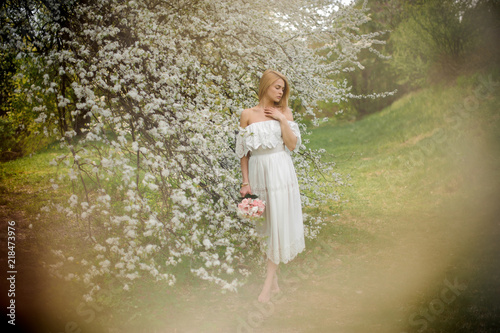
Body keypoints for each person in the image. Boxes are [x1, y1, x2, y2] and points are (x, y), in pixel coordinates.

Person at [236, 69, 305, 303]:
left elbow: (292, 145)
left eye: (283, 88)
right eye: (277, 87)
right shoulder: (247, 114)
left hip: (281, 171)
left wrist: (282, 119)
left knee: (277, 224)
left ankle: (267, 286)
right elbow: (244, 153)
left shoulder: (286, 112)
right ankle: (274, 284)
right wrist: (246, 182)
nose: (280, 91)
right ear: (265, 86)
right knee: (265, 227)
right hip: (258, 172)